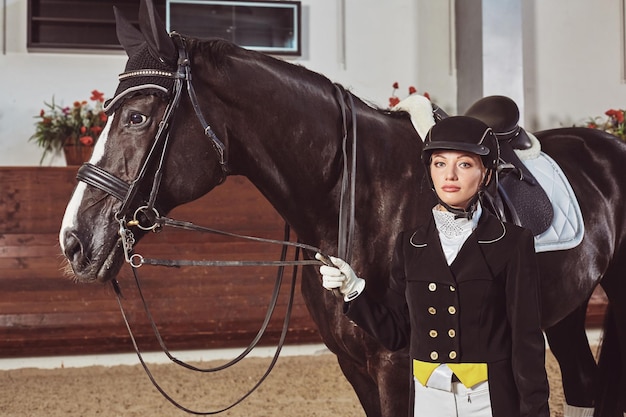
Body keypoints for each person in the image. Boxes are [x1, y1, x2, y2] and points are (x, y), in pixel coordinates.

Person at [317, 116, 550, 417]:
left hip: (487, 400)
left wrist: (536, 411)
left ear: (486, 174)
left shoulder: (512, 244)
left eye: (464, 164)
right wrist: (353, 290)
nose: (449, 175)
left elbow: (526, 341)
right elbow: (397, 334)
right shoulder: (409, 245)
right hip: (428, 400)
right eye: (440, 163)